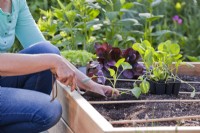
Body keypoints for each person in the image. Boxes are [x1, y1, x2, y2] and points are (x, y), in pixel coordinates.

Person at [0, 0, 119, 133]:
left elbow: (43, 48)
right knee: (48, 110)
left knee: (47, 50)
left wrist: (91, 85)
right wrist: (52, 61)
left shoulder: (16, 2)